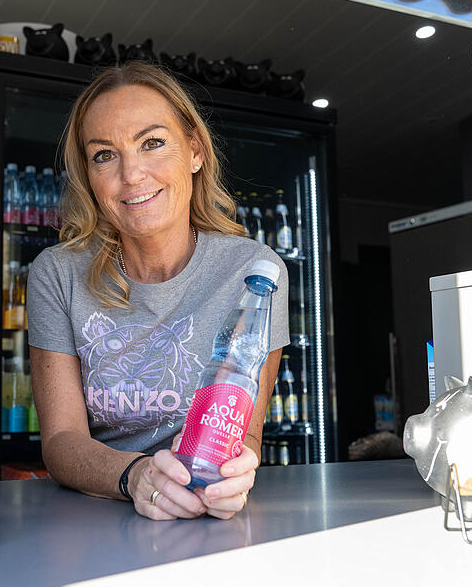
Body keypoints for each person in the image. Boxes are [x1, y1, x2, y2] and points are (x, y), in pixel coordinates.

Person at [27, 62, 289, 520]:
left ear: (194, 151)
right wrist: (138, 477)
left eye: (152, 143)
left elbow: (244, 433)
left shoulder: (255, 273)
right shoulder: (57, 273)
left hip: (206, 511)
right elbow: (61, 442)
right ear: (89, 176)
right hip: (95, 516)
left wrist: (235, 473)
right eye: (104, 155)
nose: (132, 175)